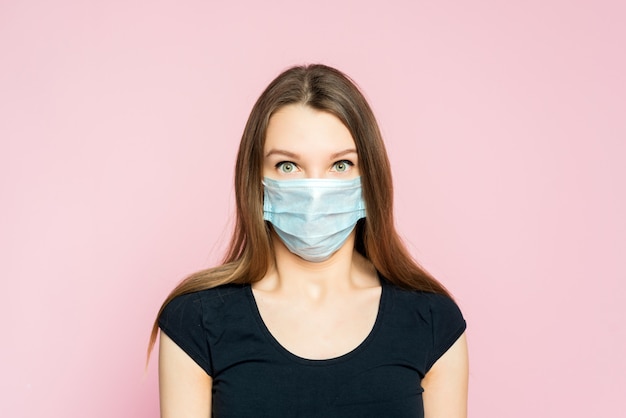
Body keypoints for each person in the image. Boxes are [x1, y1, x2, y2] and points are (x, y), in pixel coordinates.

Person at [148, 64, 468, 417]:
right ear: (256, 180)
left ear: (370, 177)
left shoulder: (433, 322)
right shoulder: (196, 323)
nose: (315, 190)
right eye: (288, 166)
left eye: (341, 165)